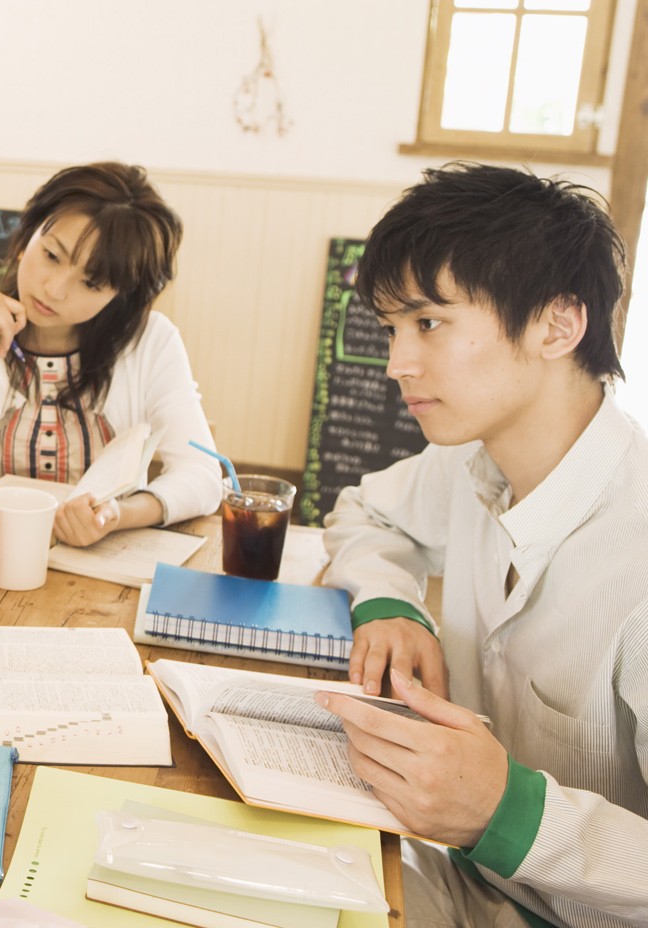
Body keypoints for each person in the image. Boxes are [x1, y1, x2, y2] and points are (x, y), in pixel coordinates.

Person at [317, 163, 648, 928]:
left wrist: (510, 811)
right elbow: (364, 512)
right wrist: (390, 602)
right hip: (442, 875)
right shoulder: (470, 457)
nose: (399, 363)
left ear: (558, 326)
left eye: (429, 324)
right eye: (392, 329)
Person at [0, 161, 220, 544]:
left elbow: (202, 475)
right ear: (27, 236)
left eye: (91, 282)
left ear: (120, 295)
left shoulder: (152, 342)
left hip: (96, 567)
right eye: (52, 255)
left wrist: (116, 515)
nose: (55, 289)